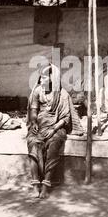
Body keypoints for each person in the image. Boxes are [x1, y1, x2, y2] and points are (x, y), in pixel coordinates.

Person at [26, 64, 79, 199]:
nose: (41, 81)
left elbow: (65, 118)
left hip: (56, 127)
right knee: (33, 142)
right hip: (39, 125)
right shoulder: (38, 91)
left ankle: (46, 185)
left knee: (53, 145)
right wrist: (33, 122)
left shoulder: (62, 94)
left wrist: (54, 129)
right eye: (41, 77)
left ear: (52, 78)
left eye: (44, 77)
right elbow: (33, 110)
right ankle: (35, 184)